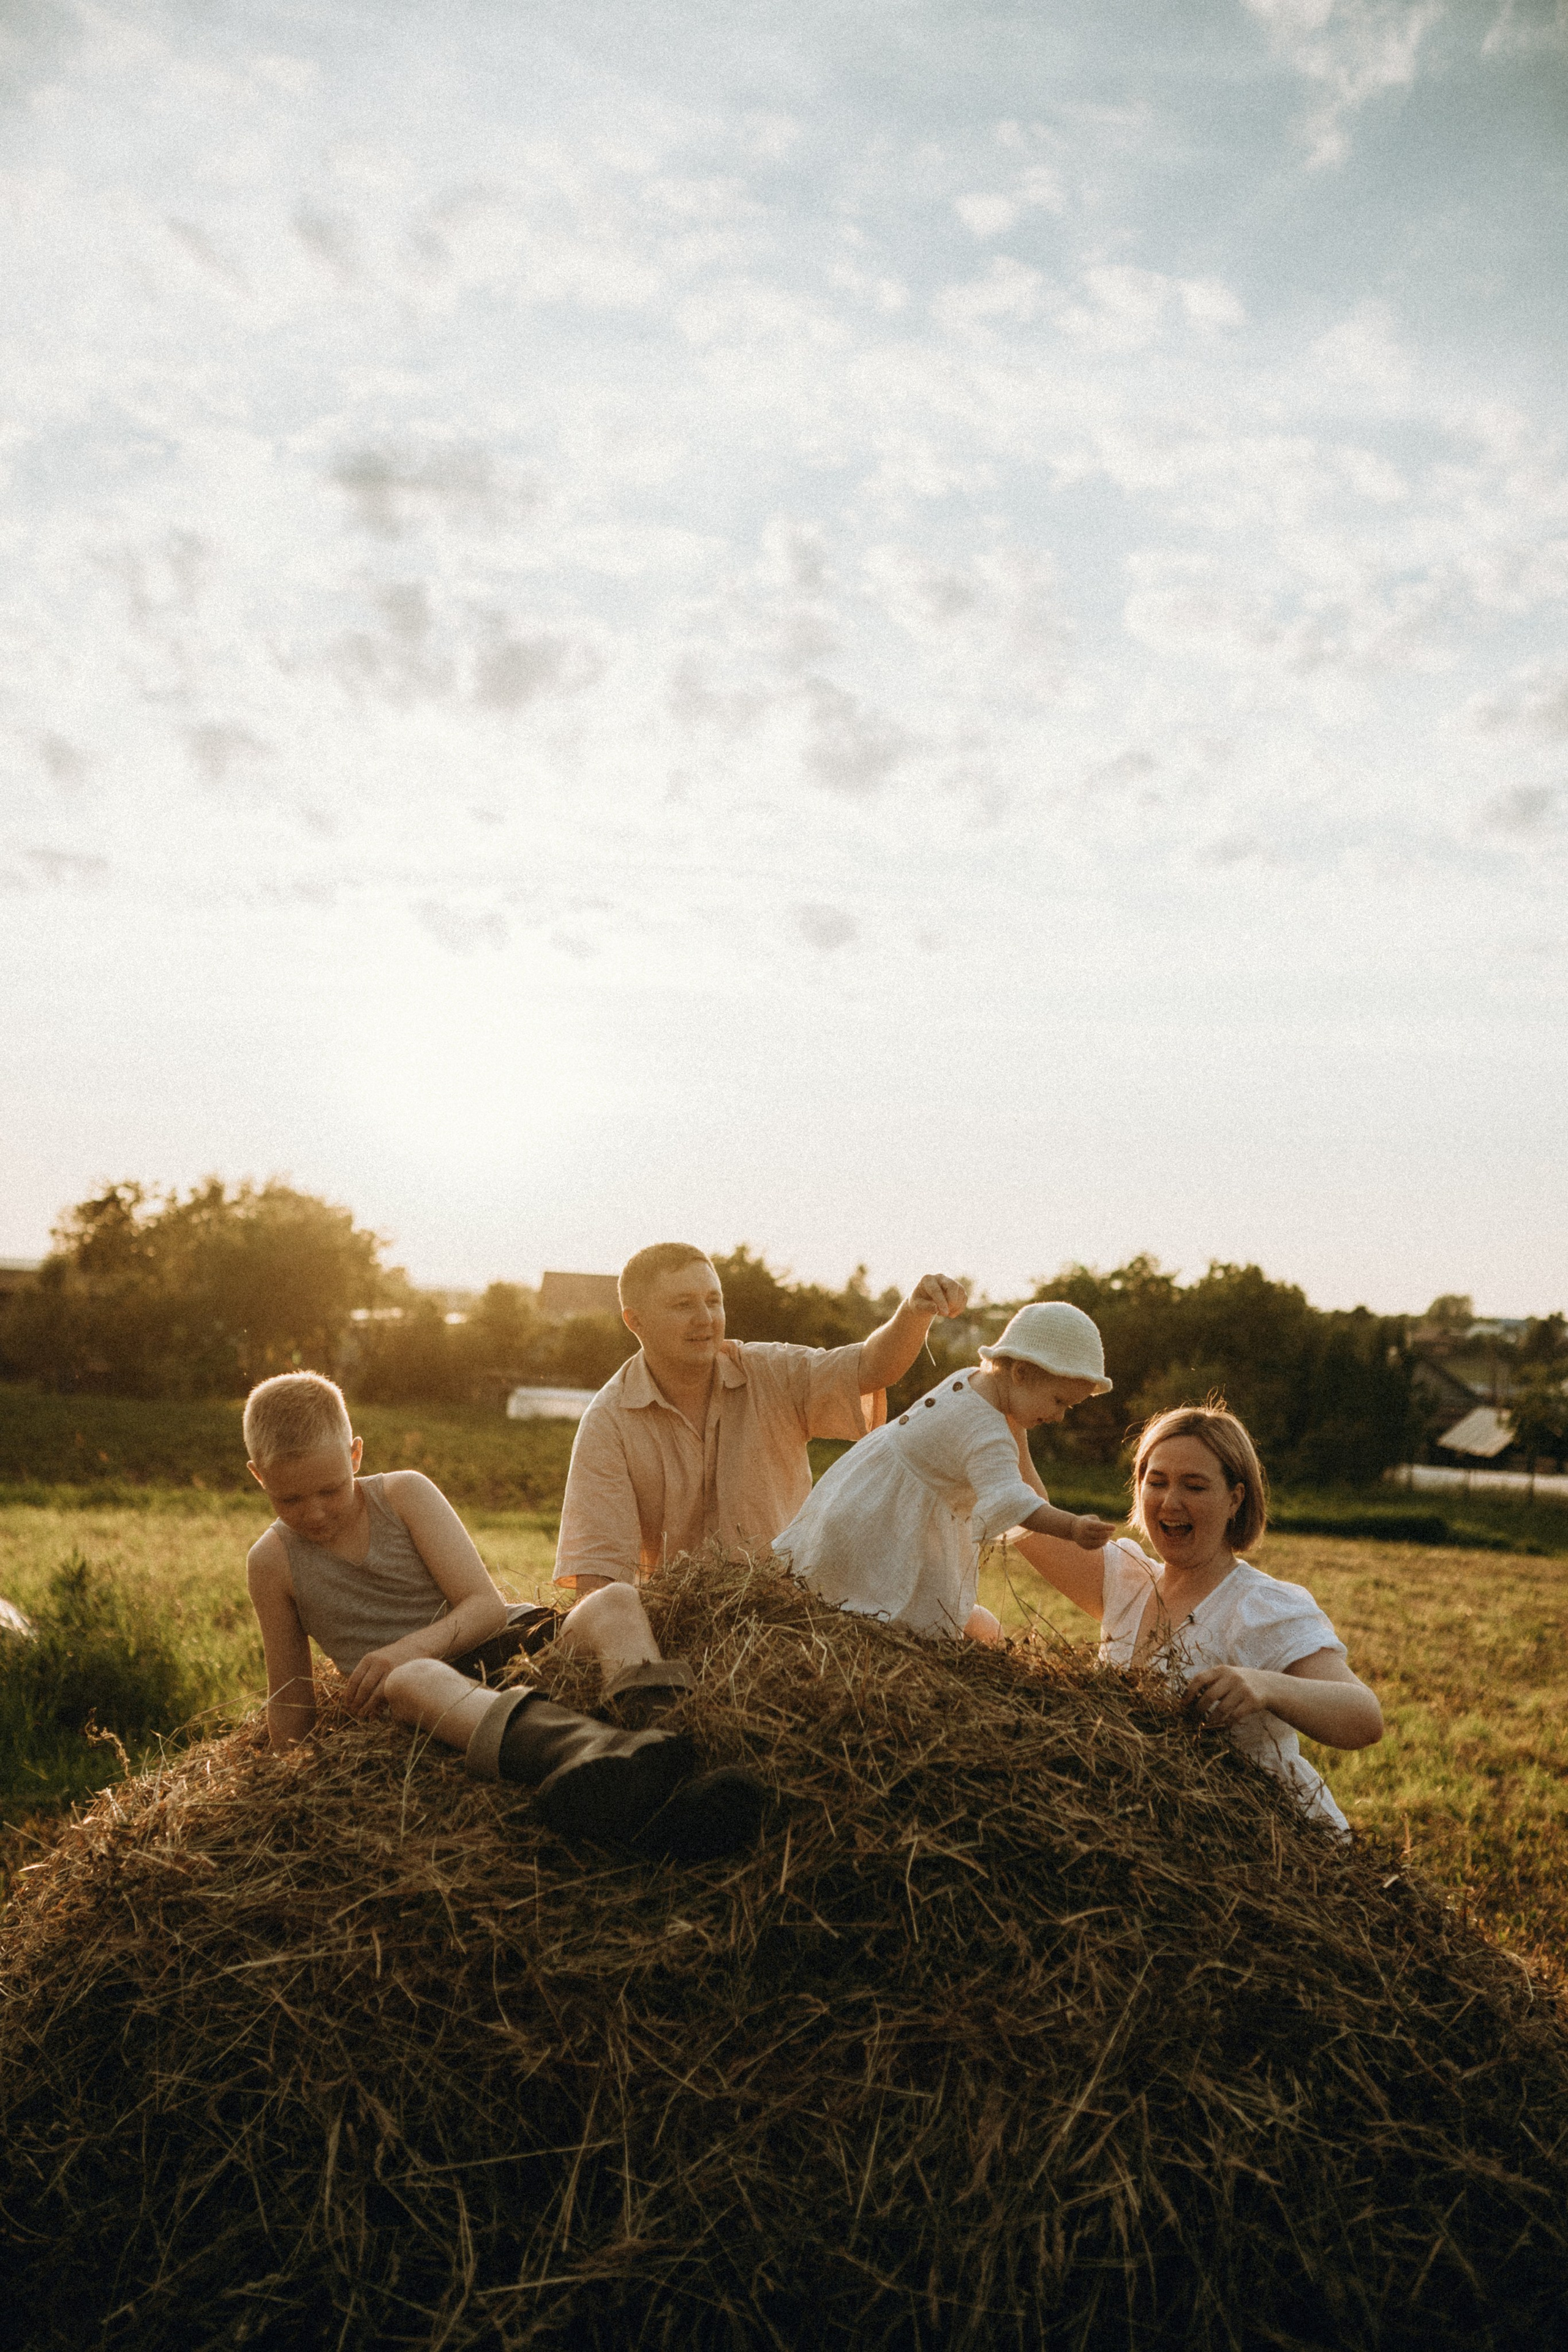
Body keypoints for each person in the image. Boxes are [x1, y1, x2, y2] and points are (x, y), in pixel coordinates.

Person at [243, 1370, 764, 1858]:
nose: (315, 1512)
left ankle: (672, 1748)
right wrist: (287, 1794)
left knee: (615, 1601)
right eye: (290, 1500)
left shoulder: (403, 1495)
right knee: (410, 1679)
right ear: (258, 1477)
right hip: (429, 1698)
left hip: (510, 1646)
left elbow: (487, 1609)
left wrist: (403, 1649)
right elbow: (290, 1700)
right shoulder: (272, 1563)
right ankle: (599, 1753)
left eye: (330, 1489)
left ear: (355, 1454)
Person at [1007, 1401, 1382, 1831]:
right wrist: (1005, 1404)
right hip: (1154, 1832)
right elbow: (1022, 1503)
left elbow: (1364, 1718)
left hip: (1259, 1839)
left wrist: (1267, 1686)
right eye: (1157, 1482)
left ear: (1235, 1499)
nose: (1171, 1502)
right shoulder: (1127, 1583)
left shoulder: (1257, 1607)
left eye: (1195, 1486)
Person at [552, 1245, 971, 1597]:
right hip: (677, 1623)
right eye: (683, 1305)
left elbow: (869, 1367)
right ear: (635, 1321)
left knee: (971, 1620)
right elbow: (598, 1579)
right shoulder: (608, 1422)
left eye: (713, 1301)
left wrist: (913, 1313)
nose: (705, 1318)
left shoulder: (770, 1372)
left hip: (793, 1609)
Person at [771, 1300, 1118, 1640]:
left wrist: (1039, 1496)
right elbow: (1011, 1501)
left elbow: (1019, 1467)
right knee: (889, 1614)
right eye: (1059, 1401)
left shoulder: (972, 1381)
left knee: (833, 1591)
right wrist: (1071, 1527)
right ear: (1021, 1374)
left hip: (862, 1500)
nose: (1059, 1417)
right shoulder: (987, 1434)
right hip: (892, 1523)